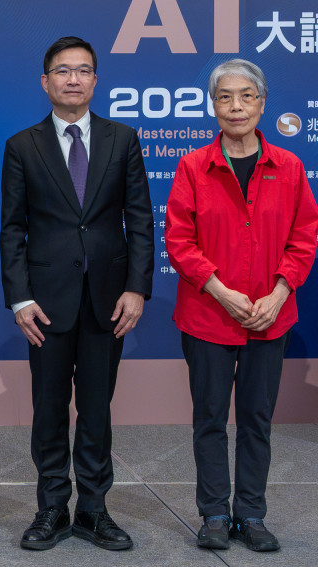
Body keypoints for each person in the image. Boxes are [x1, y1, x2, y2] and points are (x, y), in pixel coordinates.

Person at [1, 36, 154, 552]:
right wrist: (20, 298)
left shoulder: (122, 138)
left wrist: (137, 288)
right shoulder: (23, 145)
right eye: (63, 71)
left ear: (95, 80)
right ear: (45, 82)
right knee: (48, 408)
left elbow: (140, 219)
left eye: (83, 70)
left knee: (96, 408)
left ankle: (93, 509)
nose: (73, 79)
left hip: (108, 299)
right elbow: (12, 228)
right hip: (45, 302)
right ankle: (51, 507)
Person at [164, 59, 318, 553]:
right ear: (213, 106)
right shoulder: (193, 166)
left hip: (270, 317)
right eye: (225, 97)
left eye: (246, 96)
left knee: (257, 420)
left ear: (262, 103)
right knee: (210, 419)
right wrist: (222, 291)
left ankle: (251, 514)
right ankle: (213, 513)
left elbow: (304, 237)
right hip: (208, 315)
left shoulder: (288, 167)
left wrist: (279, 293)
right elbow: (179, 241)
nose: (236, 106)